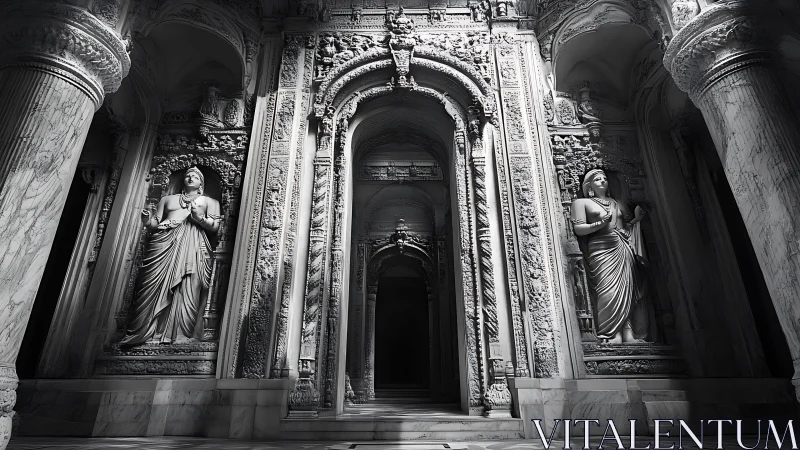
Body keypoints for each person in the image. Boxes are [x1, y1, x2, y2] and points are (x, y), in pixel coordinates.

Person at [120, 167, 221, 346]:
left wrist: (199, 218)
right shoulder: (167, 200)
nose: (190, 178)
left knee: (187, 286)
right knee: (153, 285)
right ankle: (146, 333)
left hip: (193, 246)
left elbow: (215, 227)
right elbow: (154, 224)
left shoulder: (209, 201)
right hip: (163, 243)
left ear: (201, 183)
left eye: (195, 176)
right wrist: (146, 221)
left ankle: (180, 336)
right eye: (188, 175)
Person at [570, 168, 649, 343]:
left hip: (623, 246)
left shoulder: (617, 202)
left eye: (604, 178)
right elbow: (579, 229)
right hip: (601, 250)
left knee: (628, 288)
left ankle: (629, 332)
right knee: (608, 290)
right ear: (589, 186)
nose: (603, 181)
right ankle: (610, 333)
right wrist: (599, 223)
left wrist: (636, 219)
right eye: (597, 179)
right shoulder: (581, 203)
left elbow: (626, 226)